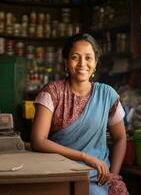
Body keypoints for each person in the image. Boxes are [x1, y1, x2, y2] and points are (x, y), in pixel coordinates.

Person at [31, 33, 128, 195]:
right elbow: (37, 141)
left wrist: (113, 175)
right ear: (66, 63)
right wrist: (84, 157)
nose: (82, 63)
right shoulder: (52, 92)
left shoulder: (107, 95)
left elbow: (120, 138)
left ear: (95, 63)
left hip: (97, 177)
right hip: (59, 175)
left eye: (88, 58)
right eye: (75, 57)